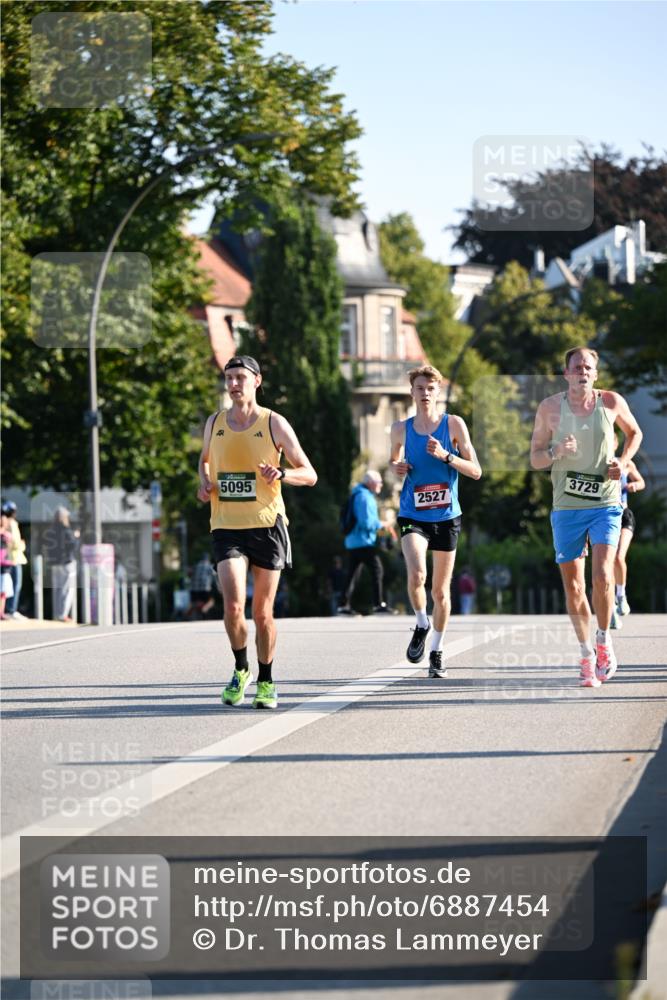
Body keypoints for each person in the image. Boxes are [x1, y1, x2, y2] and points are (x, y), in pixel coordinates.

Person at [197, 355, 317, 710]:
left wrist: (282, 475)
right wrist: (204, 483)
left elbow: (309, 473)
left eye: (240, 378)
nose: (233, 384)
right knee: (233, 605)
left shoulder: (273, 423)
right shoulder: (214, 422)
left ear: (256, 381)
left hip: (267, 524)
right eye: (229, 378)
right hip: (226, 526)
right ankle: (241, 668)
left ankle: (266, 679)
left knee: (262, 612)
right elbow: (204, 460)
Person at [530, 346, 642, 687]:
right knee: (574, 585)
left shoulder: (611, 402)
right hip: (567, 507)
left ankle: (604, 640)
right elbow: (535, 458)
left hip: (606, 503)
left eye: (588, 366)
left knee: (603, 574)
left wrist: (622, 463)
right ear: (566, 374)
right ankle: (585, 654)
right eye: (576, 366)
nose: (582, 371)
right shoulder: (550, 408)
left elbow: (634, 433)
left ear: (595, 373)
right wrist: (556, 451)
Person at [390, 365, 482, 678]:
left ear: (437, 392)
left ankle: (437, 650)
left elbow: (476, 470)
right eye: (419, 388)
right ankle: (420, 622)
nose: (425, 393)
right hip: (412, 514)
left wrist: (446, 456)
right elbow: (393, 459)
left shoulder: (454, 424)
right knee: (417, 573)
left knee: (441, 593)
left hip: (446, 516)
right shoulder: (400, 429)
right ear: (412, 392)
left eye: (430, 388)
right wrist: (397, 467)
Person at [337, 470, 397, 616]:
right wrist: (382, 524)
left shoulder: (358, 494)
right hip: (363, 541)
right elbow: (366, 522)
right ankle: (378, 605)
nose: (381, 485)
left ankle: (343, 606)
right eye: (379, 482)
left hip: (353, 541)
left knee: (352, 574)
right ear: (371, 483)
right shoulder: (364, 497)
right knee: (377, 569)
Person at [610, 449, 645, 628]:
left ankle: (621, 596)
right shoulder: (595, 462)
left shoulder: (625, 462)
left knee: (618, 557)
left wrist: (634, 486)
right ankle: (610, 610)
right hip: (604, 516)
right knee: (605, 565)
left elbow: (641, 481)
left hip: (623, 514)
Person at [47, 507, 79, 623]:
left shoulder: (51, 531)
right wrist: (76, 537)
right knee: (67, 589)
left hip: (54, 563)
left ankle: (57, 614)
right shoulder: (66, 530)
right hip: (66, 563)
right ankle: (63, 615)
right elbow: (72, 545)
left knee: (57, 589)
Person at [1, 501, 28, 620]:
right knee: (15, 585)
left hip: (10, 558)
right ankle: (11, 609)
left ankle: (9, 609)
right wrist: (22, 545)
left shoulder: (7, 523)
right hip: (14, 558)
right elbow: (16, 543)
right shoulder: (11, 524)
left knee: (8, 586)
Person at [189, 553, 216, 618]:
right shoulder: (209, 566)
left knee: (194, 603)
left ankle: (187, 614)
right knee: (211, 602)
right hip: (205, 588)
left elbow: (190, 574)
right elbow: (215, 576)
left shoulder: (196, 566)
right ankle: (204, 609)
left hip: (194, 589)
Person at [1, 513, 16, 621]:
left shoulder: (5, 535)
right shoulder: (4, 535)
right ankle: (1, 613)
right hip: (3, 567)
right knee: (2, 592)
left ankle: (1, 612)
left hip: (5, 566)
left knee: (3, 592)